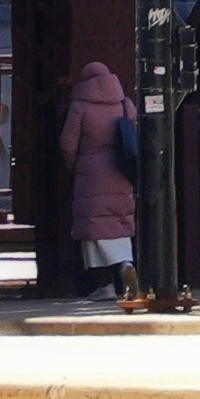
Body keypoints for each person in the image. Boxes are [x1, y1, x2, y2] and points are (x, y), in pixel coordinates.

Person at [54, 54, 139, 298]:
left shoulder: (80, 107)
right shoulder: (124, 104)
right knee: (120, 223)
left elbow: (68, 143)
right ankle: (125, 265)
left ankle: (106, 286)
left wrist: (75, 165)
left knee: (93, 231)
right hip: (120, 171)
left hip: (91, 173)